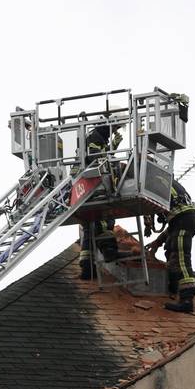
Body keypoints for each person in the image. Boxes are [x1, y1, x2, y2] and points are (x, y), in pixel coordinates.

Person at [145, 179, 195, 312]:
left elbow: (146, 202)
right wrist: (158, 242)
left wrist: (147, 223)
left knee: (180, 257)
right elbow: (173, 227)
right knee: (172, 246)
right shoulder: (164, 178)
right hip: (185, 217)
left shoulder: (149, 180)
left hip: (184, 217)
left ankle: (187, 300)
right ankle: (174, 287)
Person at [77, 120, 121, 279]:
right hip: (91, 183)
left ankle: (87, 267)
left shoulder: (98, 136)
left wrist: (112, 148)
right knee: (103, 221)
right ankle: (109, 252)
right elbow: (96, 158)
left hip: (87, 185)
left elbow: (100, 157)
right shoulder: (96, 136)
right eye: (115, 127)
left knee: (91, 227)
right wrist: (112, 151)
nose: (114, 131)